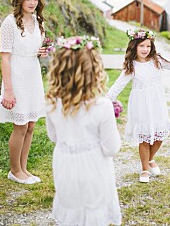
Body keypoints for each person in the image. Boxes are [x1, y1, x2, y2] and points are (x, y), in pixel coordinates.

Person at [46, 35, 122, 226]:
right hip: (94, 166)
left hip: (64, 164)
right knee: (93, 212)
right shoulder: (102, 106)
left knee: (71, 210)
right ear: (94, 71)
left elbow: (53, 136)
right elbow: (111, 148)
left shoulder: (50, 102)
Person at [107, 29, 170, 183]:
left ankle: (151, 159)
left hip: (157, 103)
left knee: (160, 136)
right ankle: (145, 169)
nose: (145, 49)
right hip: (140, 106)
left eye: (148, 46)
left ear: (151, 47)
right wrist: (106, 100)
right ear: (134, 47)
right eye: (141, 46)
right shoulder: (131, 66)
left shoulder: (156, 60)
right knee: (144, 139)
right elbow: (118, 85)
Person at [0, 0, 48, 184]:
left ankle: (24, 169)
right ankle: (14, 170)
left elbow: (33, 47)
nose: (33, 3)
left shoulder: (39, 21)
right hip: (16, 75)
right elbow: (4, 57)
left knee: (31, 125)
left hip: (33, 74)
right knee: (20, 125)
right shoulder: (9, 23)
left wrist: (41, 52)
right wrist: (8, 90)